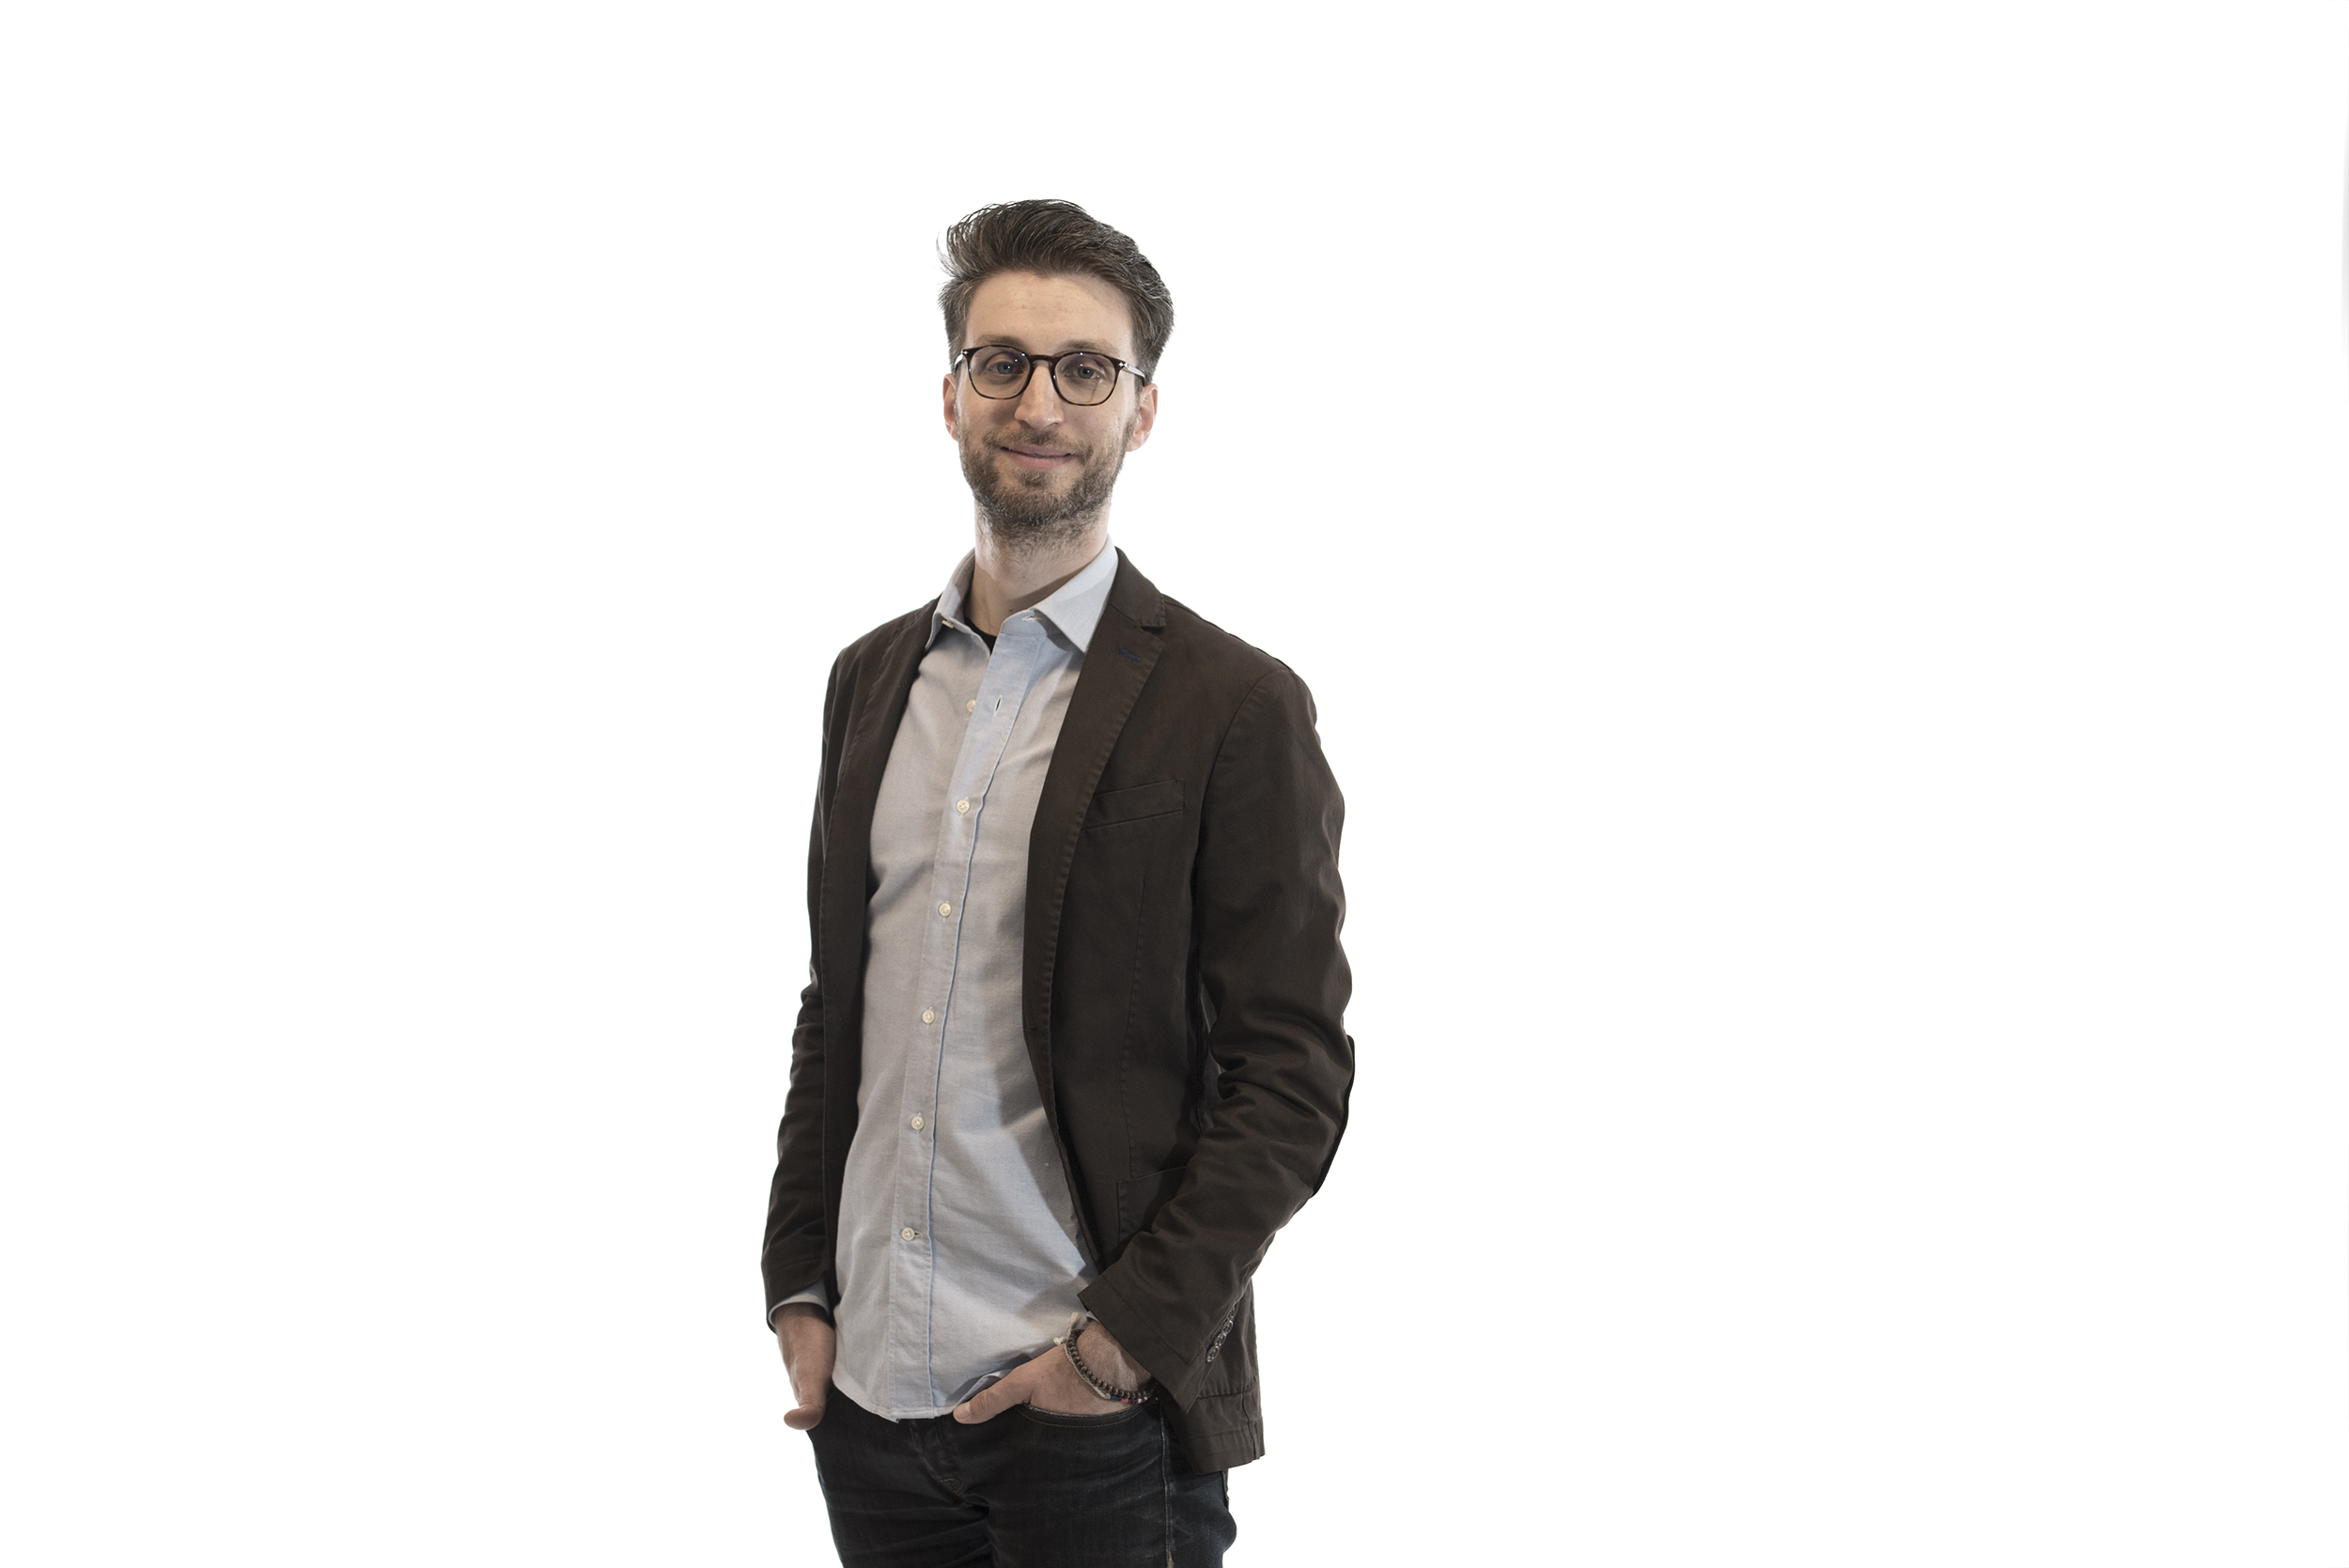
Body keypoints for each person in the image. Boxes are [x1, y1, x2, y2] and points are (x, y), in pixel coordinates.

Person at [761, 198, 1352, 1567]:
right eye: (1003, 363)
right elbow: (836, 1004)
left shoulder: (1234, 705)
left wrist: (1120, 1348)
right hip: (870, 1408)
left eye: (1085, 368)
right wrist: (799, 1280)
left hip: (1095, 1419)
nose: (1040, 403)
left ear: (1140, 412)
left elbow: (1294, 1074)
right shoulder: (868, 680)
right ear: (951, 396)